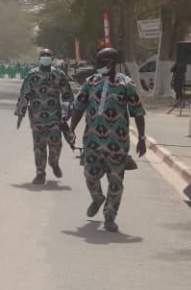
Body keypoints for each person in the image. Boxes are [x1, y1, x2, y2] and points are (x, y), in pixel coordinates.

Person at [69, 48, 146, 233]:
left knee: (116, 182)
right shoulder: (91, 82)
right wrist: (71, 129)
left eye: (102, 61)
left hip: (117, 144)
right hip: (92, 141)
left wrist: (142, 137)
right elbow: (79, 107)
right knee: (90, 175)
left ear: (111, 62)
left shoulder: (126, 84)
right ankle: (97, 197)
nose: (98, 65)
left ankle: (110, 216)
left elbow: (138, 112)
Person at [15, 49, 74, 185]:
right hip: (37, 117)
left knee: (56, 143)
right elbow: (25, 94)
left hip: (55, 116)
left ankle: (54, 162)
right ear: (39, 58)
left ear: (52, 58)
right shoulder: (31, 74)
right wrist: (20, 114)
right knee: (39, 146)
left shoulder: (59, 74)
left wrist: (67, 113)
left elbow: (67, 95)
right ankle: (40, 173)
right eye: (43, 56)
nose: (45, 58)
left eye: (48, 56)